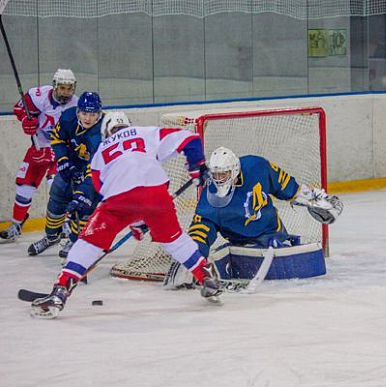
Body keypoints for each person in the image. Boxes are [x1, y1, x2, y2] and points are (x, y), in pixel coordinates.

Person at [30, 112, 222, 319]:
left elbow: (104, 190)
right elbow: (190, 139)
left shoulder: (99, 153)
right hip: (157, 196)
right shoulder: (146, 132)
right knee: (174, 239)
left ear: (106, 132)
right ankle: (207, 277)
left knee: (88, 243)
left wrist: (135, 217)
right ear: (128, 125)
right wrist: (197, 165)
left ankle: (60, 292)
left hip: (118, 201)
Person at [161, 146, 343, 288]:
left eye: (223, 174)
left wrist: (311, 198)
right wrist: (192, 258)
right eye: (215, 175)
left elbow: (286, 186)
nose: (219, 179)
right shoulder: (210, 199)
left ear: (234, 171)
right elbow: (201, 231)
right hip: (240, 246)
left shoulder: (257, 166)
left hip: (273, 234)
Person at [0, 69, 78, 242]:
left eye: (69, 88)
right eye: (62, 88)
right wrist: (26, 121)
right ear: (55, 86)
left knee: (57, 187)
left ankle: (64, 223)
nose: (66, 92)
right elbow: (19, 110)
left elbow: (77, 132)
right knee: (23, 186)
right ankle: (17, 224)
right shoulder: (37, 96)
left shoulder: (76, 105)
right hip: (38, 147)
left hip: (61, 151)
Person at [27, 91, 103, 259]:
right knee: (57, 197)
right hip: (71, 164)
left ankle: (76, 241)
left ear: (99, 114)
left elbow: (98, 164)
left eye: (92, 114)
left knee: (84, 205)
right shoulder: (68, 117)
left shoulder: (102, 132)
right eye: (84, 113)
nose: (88, 118)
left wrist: (84, 190)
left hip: (96, 171)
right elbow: (57, 138)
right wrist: (63, 160)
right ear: (78, 112)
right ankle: (52, 236)